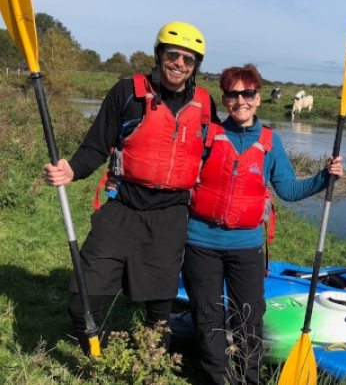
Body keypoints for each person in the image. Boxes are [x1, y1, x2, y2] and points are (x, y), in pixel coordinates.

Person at [43, 21, 217, 354]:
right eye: (173, 54)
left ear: (196, 66)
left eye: (188, 59)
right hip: (122, 208)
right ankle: (102, 361)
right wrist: (72, 169)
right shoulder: (127, 92)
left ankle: (151, 368)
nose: (179, 64)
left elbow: (216, 154)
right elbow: (96, 145)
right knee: (83, 301)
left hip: (170, 216)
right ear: (159, 55)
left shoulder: (206, 105)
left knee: (159, 313)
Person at [181, 66, 343, 385]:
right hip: (200, 244)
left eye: (248, 93)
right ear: (225, 99)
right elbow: (177, 175)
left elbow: (288, 190)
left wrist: (325, 178)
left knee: (250, 319)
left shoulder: (271, 142)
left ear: (258, 98)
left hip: (246, 248)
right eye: (233, 94)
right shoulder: (208, 135)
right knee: (207, 317)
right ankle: (217, 379)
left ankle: (248, 379)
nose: (240, 100)